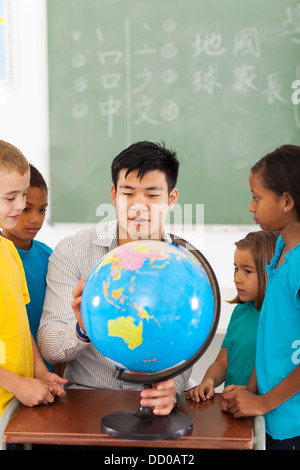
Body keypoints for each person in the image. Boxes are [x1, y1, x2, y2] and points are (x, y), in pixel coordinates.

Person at [38, 141, 192, 416]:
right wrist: (82, 329)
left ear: (171, 198)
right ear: (113, 194)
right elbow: (49, 347)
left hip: (155, 408)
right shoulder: (73, 251)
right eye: (128, 193)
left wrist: (173, 388)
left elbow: (190, 342)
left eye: (152, 195)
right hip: (86, 405)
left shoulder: (186, 264)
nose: (139, 206)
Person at [222, 145, 300, 450]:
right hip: (270, 415)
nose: (251, 208)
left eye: (257, 198)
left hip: (291, 422)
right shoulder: (280, 247)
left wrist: (264, 401)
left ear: (286, 201)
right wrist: (250, 392)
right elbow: (271, 338)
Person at [0, 140, 67, 420]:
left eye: (23, 196)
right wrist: (16, 383)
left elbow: (21, 326)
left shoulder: (7, 252)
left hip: (19, 403)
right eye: (10, 197)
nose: (19, 207)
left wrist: (40, 372)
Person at [186, 230, 278, 403]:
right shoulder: (239, 313)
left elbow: (280, 375)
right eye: (236, 269)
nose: (237, 278)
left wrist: (249, 390)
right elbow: (222, 363)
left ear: (271, 272)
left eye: (247, 271)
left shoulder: (279, 318)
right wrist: (208, 381)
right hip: (233, 408)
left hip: (264, 414)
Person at [1, 164, 52, 344]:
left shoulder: (50, 257)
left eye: (42, 209)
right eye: (26, 208)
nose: (35, 219)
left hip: (45, 368)